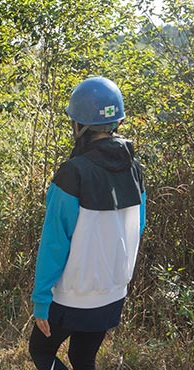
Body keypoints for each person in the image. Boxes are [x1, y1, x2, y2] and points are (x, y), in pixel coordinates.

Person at [29, 76, 146, 370]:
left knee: (41, 352)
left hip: (72, 296)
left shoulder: (72, 173)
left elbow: (55, 243)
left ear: (78, 125)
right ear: (117, 123)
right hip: (112, 292)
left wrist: (41, 298)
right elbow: (138, 227)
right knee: (83, 358)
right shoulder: (135, 169)